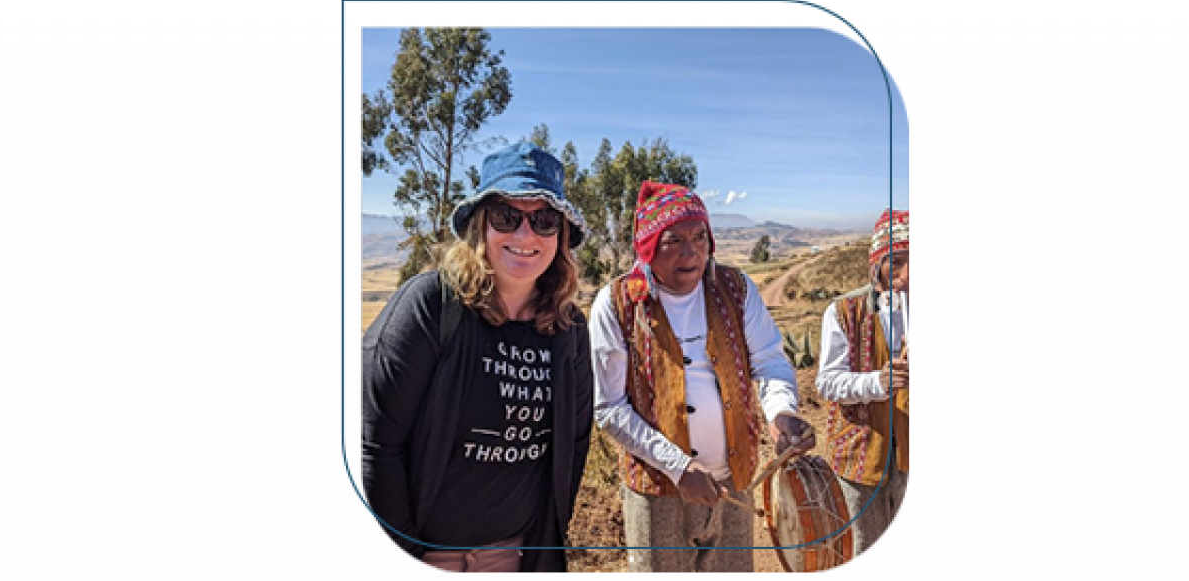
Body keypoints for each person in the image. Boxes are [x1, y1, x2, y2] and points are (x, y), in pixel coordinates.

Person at [360, 142, 594, 573]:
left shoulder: (569, 331)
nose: (525, 236)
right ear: (480, 226)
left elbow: (572, 451)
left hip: (517, 559)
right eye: (507, 217)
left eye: (543, 221)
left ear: (560, 237)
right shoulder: (431, 306)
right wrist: (401, 556)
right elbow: (373, 442)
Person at [589, 181, 816, 574]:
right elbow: (609, 407)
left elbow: (770, 361)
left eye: (699, 237)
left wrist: (781, 412)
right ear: (646, 247)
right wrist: (677, 467)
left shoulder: (735, 288)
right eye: (672, 240)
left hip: (735, 480)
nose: (690, 251)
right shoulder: (617, 304)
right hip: (657, 491)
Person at [815, 208, 910, 561]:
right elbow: (826, 382)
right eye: (895, 261)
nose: (906, 273)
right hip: (860, 456)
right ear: (876, 263)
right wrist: (877, 383)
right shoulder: (843, 311)